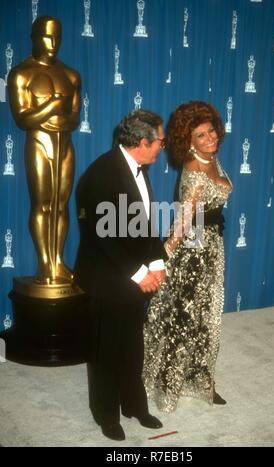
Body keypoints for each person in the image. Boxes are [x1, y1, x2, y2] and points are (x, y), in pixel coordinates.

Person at [74, 109, 168, 441]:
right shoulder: (101, 175)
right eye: (160, 141)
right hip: (105, 277)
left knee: (131, 345)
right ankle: (106, 414)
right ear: (143, 143)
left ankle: (134, 405)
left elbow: (143, 226)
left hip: (132, 274)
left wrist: (157, 263)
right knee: (105, 350)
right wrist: (139, 273)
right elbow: (105, 237)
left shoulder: (140, 169)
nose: (162, 147)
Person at [143, 101, 233, 412]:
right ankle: (168, 383)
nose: (211, 139)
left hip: (210, 247)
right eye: (201, 136)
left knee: (204, 319)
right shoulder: (196, 171)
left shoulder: (211, 158)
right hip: (194, 254)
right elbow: (183, 222)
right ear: (188, 141)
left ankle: (198, 377)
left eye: (211, 132)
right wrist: (163, 258)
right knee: (185, 321)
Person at [7, 16, 81, 284]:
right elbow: (22, 119)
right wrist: (51, 106)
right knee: (42, 205)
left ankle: (58, 262)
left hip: (65, 145)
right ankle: (44, 264)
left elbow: (74, 118)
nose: (53, 43)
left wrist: (54, 113)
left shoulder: (71, 75)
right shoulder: (21, 74)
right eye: (48, 37)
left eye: (58, 37)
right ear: (35, 36)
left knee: (61, 205)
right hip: (38, 143)